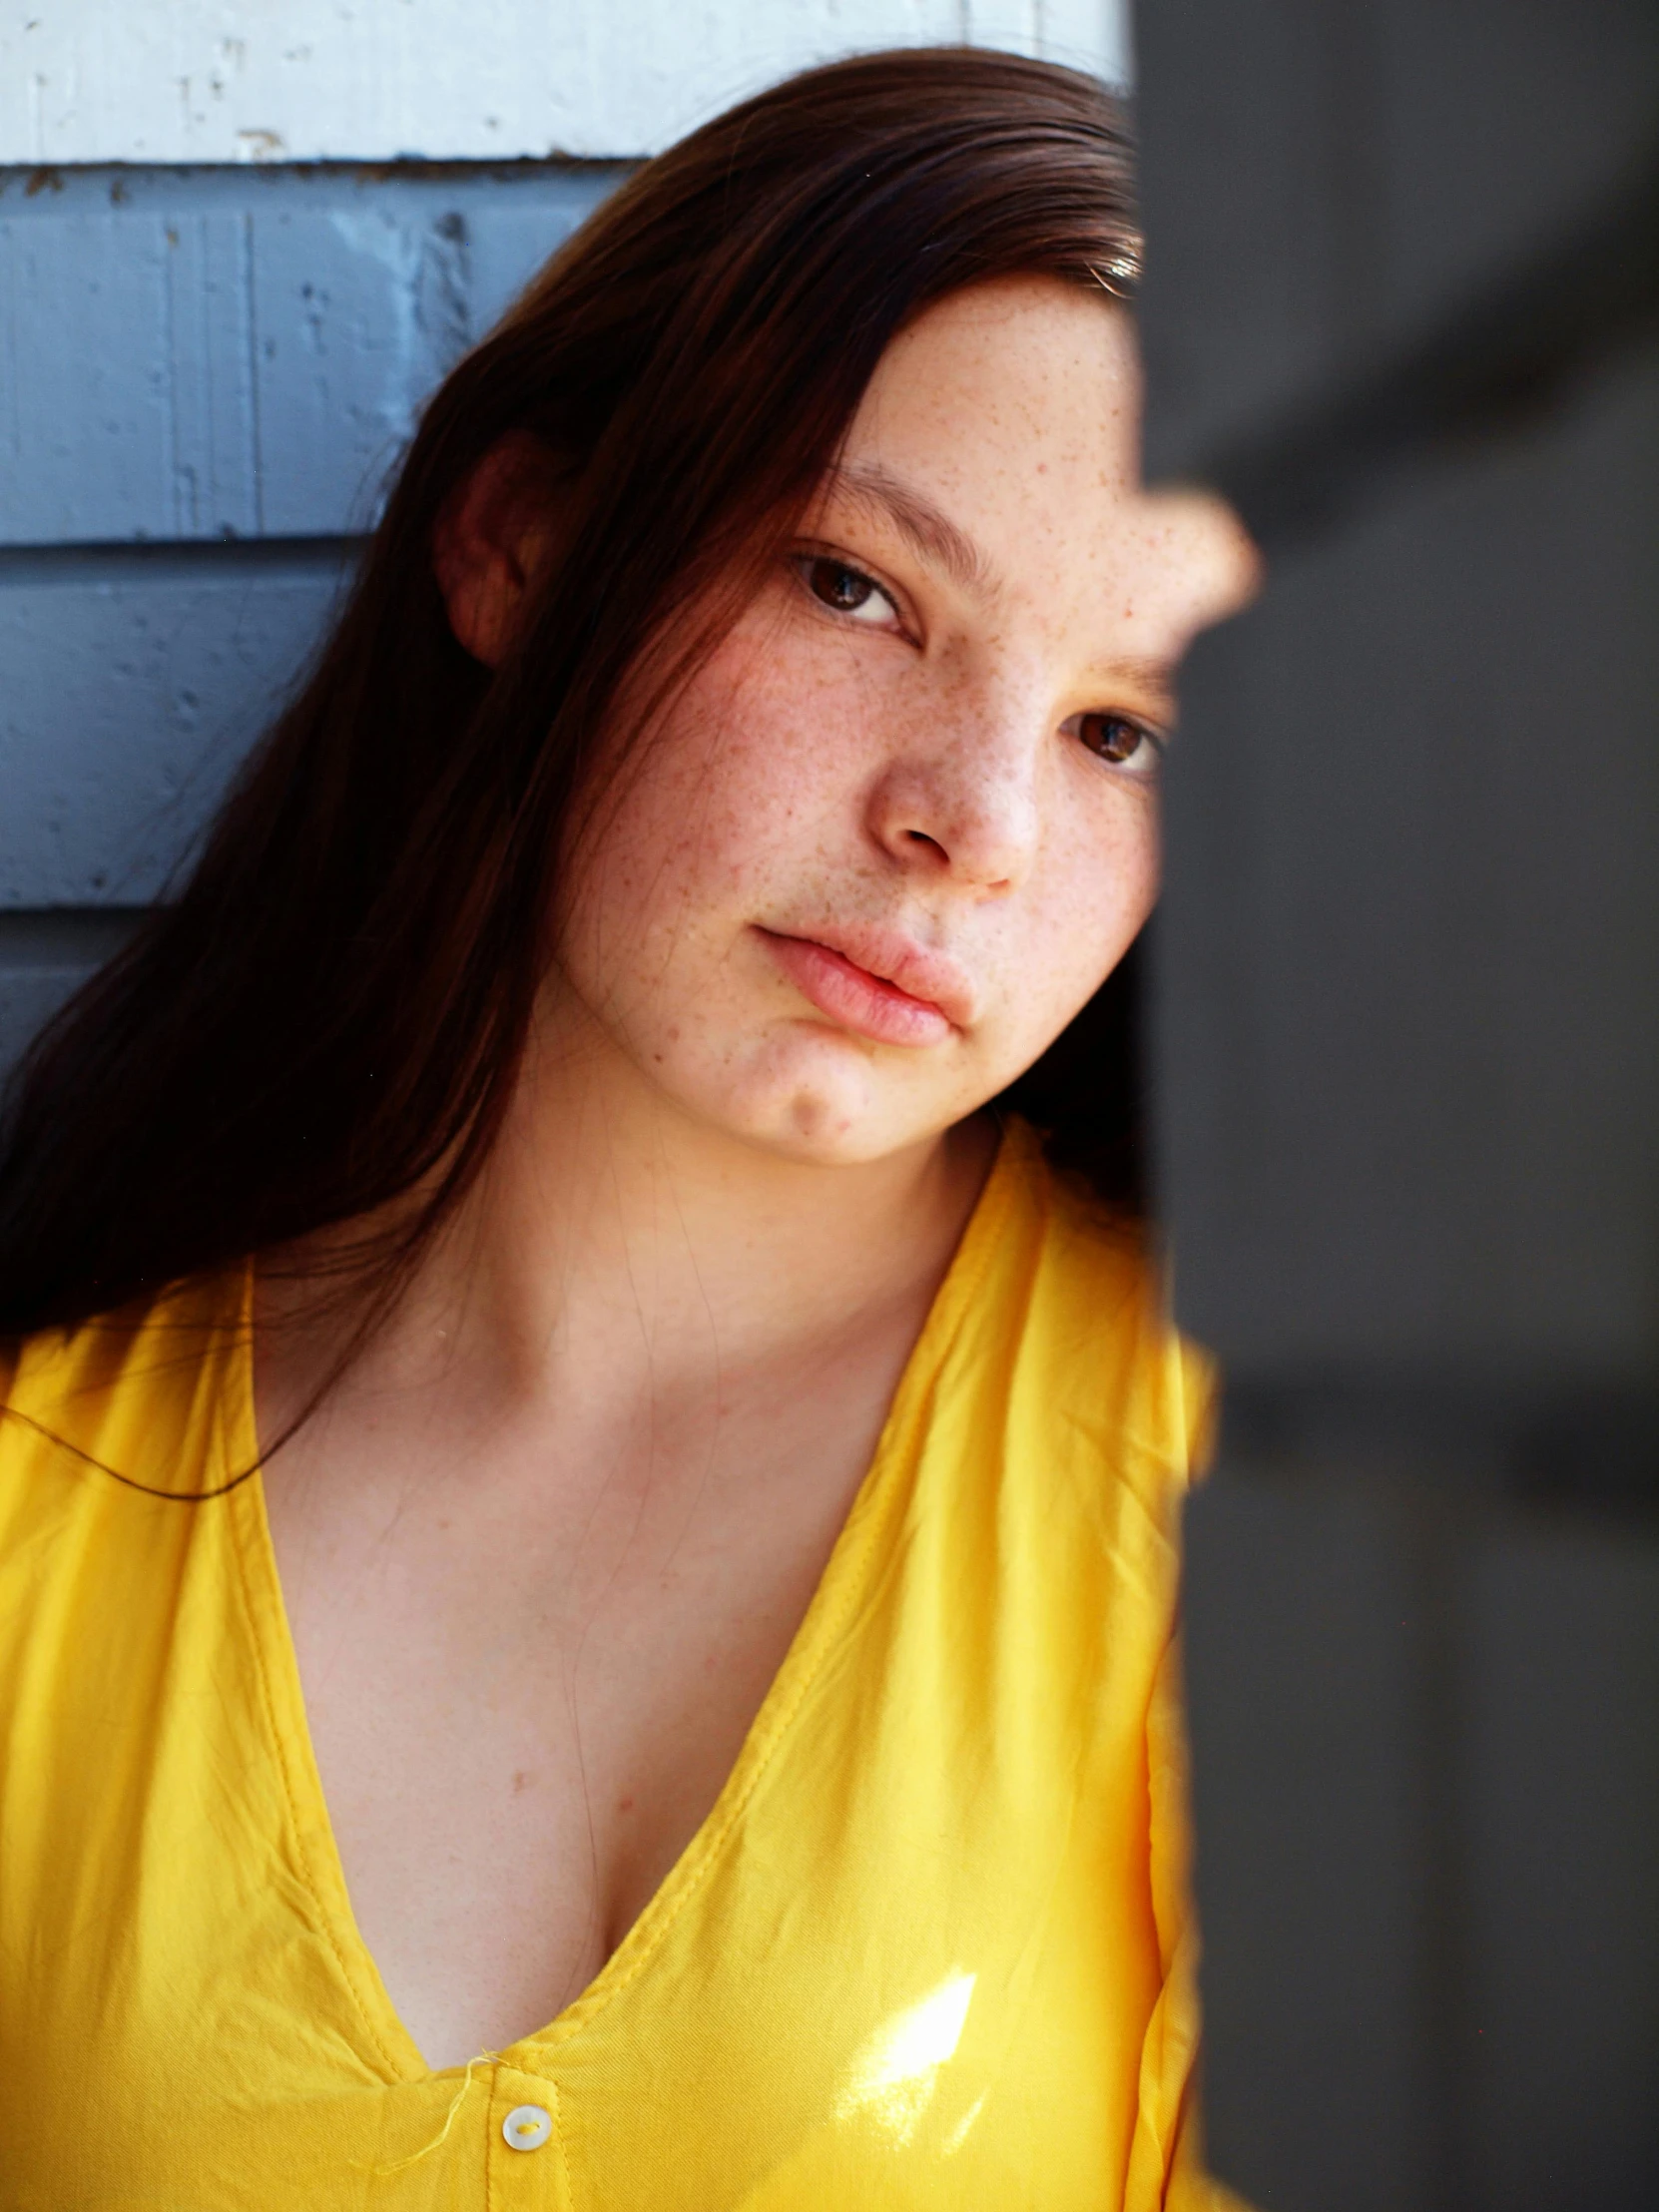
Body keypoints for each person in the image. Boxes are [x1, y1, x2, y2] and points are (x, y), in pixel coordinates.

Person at [0, 47, 1256, 2209]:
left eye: (1122, 725)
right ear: (522, 546)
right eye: (859, 590)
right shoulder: (43, 1485)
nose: (972, 820)